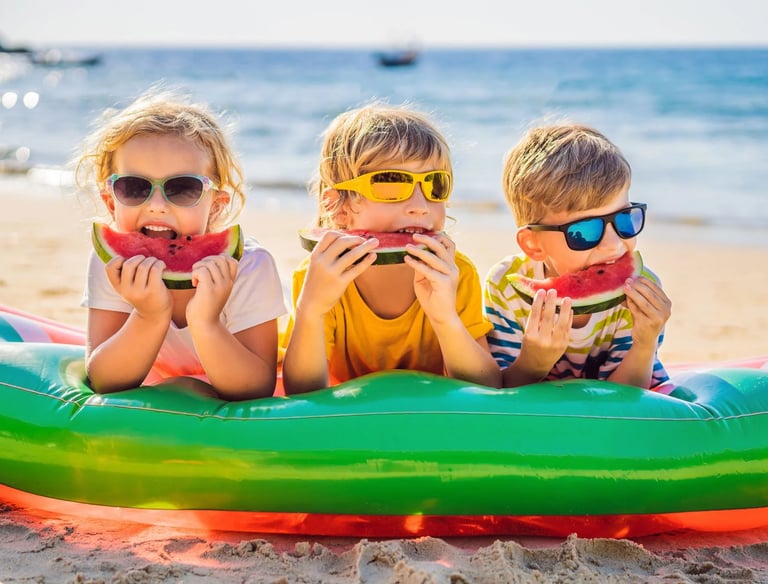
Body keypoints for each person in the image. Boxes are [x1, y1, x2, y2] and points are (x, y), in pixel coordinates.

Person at [76, 88, 287, 400]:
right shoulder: (112, 263)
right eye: (134, 187)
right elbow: (106, 381)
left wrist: (205, 321)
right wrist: (149, 315)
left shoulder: (249, 267)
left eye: (183, 188)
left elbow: (256, 388)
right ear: (110, 202)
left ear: (216, 204)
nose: (157, 205)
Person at [281, 102, 500, 394]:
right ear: (337, 206)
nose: (420, 207)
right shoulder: (318, 275)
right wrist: (311, 310)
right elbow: (301, 392)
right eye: (391, 184)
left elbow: (486, 387)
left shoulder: (455, 273)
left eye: (435, 185)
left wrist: (444, 318)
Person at [484, 122, 671, 389]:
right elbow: (503, 388)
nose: (613, 244)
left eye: (625, 219)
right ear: (533, 244)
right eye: (584, 231)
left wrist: (645, 343)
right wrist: (533, 361)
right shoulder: (506, 286)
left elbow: (628, 399)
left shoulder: (639, 291)